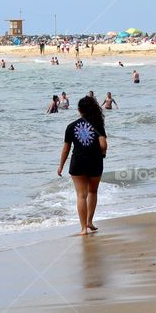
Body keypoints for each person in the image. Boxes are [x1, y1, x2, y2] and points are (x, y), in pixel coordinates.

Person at [57, 96, 107, 235]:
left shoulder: (71, 126)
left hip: (77, 162)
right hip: (95, 162)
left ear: (79, 110)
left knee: (81, 195)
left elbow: (66, 149)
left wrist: (61, 165)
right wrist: (102, 153)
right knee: (92, 192)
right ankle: (89, 221)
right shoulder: (97, 125)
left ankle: (83, 228)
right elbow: (103, 145)